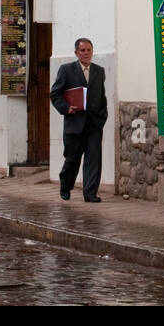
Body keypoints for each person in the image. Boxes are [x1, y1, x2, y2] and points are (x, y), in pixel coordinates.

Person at [50, 37, 108, 202]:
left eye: (89, 50)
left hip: (94, 124)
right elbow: (55, 94)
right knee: (72, 160)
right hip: (74, 124)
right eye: (82, 50)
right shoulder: (66, 70)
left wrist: (102, 116)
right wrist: (66, 108)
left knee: (93, 160)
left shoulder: (99, 71)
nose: (86, 53)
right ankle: (65, 185)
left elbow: (101, 96)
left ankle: (90, 194)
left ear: (92, 51)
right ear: (76, 52)